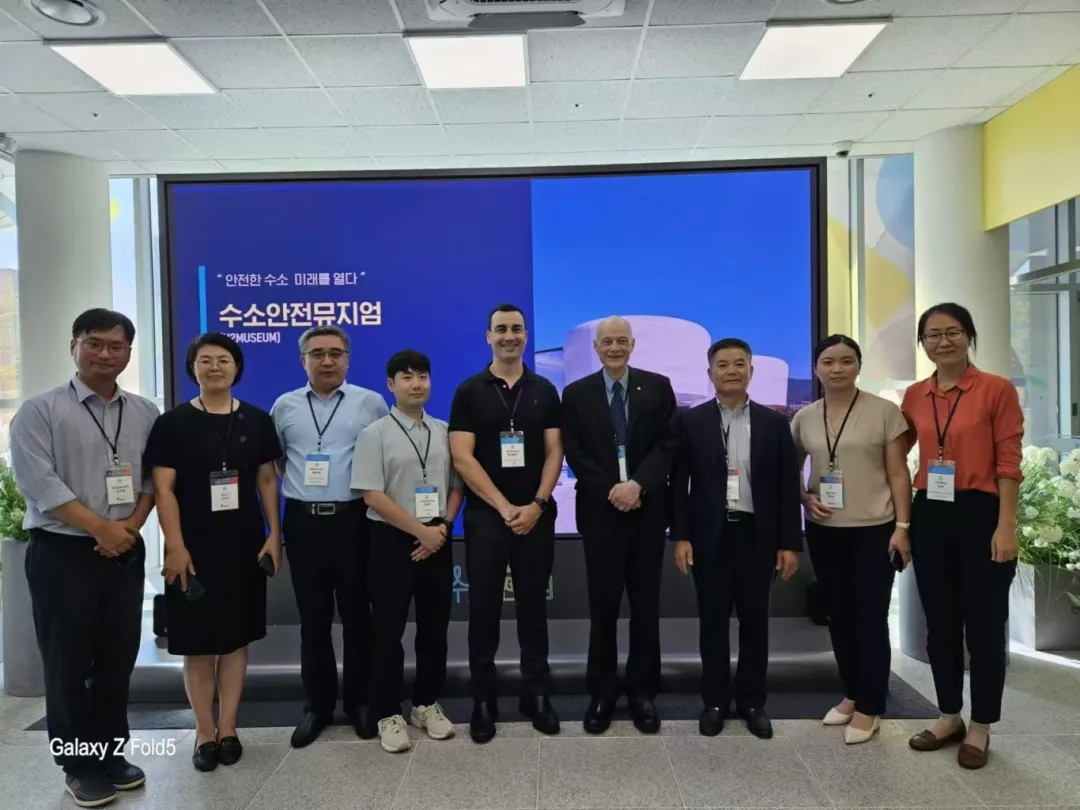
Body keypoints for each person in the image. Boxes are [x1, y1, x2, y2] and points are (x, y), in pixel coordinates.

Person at [8, 308, 158, 808]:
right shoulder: (40, 410)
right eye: (94, 343)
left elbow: (152, 481)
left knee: (117, 658)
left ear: (129, 353)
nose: (105, 354)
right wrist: (101, 528)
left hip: (124, 548)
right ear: (74, 346)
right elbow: (40, 484)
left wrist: (128, 529)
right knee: (68, 662)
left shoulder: (144, 412)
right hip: (63, 551)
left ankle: (111, 754)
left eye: (116, 346)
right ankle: (78, 765)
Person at [146, 332, 282, 772]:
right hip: (193, 548)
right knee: (199, 645)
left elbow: (267, 480)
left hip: (243, 544)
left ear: (237, 367)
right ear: (193, 369)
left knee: (235, 641)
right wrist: (175, 545)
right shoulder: (172, 423)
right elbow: (164, 490)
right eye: (205, 360)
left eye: (224, 359)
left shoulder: (257, 420)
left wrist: (274, 534)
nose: (215, 367)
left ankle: (229, 728)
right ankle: (204, 732)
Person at [901, 303, 1022, 770]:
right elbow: (896, 452)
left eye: (952, 332)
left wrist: (1006, 524)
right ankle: (949, 715)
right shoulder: (915, 395)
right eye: (933, 335)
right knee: (941, 624)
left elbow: (1009, 461)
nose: (943, 341)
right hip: (931, 513)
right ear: (923, 344)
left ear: (969, 336)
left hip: (982, 513)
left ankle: (981, 725)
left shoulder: (996, 389)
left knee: (985, 626)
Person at [671, 338, 802, 740]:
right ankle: (714, 702)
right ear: (710, 373)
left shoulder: (774, 423)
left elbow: (787, 487)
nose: (731, 371)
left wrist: (789, 543)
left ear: (751, 371)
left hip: (757, 537)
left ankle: (752, 702)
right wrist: (681, 537)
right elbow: (679, 485)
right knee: (712, 624)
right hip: (710, 538)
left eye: (739, 364)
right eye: (723, 364)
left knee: (755, 624)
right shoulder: (691, 422)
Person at [449, 303, 564, 743]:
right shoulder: (469, 391)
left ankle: (537, 694)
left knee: (534, 608)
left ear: (526, 336)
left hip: (535, 517)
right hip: (486, 518)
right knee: (483, 611)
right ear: (488, 337)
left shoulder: (545, 390)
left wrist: (536, 504)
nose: (509, 336)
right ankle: (484, 699)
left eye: (517, 328)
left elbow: (555, 452)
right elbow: (462, 457)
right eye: (501, 329)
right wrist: (502, 507)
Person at [270, 325, 389, 747]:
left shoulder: (370, 403)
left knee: (358, 616)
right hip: (304, 522)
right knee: (313, 619)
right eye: (317, 353)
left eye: (336, 353)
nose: (327, 361)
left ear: (348, 359)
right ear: (302, 360)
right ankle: (317, 707)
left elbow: (384, 457)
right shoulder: (284, 405)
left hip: (355, 519)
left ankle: (359, 703)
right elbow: (280, 461)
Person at [791, 334, 912, 745]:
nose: (837, 368)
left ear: (858, 366)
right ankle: (852, 692)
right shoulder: (805, 417)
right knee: (839, 615)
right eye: (828, 361)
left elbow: (898, 472)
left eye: (846, 360)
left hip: (874, 529)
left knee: (870, 617)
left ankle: (870, 705)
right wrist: (804, 497)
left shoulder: (884, 412)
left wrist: (902, 527)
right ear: (816, 369)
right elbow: (793, 469)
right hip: (825, 531)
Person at [561, 316, 679, 734]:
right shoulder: (576, 393)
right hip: (601, 512)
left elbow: (669, 443)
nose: (614, 347)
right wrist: (613, 488)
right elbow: (573, 450)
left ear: (633, 345)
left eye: (621, 341)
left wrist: (638, 485)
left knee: (645, 608)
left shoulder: (658, 386)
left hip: (647, 512)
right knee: (603, 608)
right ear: (596, 347)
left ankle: (642, 693)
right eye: (607, 341)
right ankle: (602, 694)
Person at [352, 349, 463, 753]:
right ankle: (388, 712)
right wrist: (421, 532)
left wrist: (443, 527)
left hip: (437, 538)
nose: (416, 384)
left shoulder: (444, 430)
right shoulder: (375, 433)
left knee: (434, 629)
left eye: (422, 377)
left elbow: (457, 487)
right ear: (391, 384)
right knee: (387, 632)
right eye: (407, 377)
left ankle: (425, 704)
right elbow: (372, 495)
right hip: (392, 541)